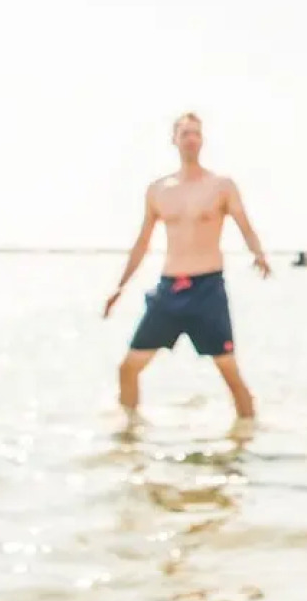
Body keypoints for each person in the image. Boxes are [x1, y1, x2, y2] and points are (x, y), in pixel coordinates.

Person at [103, 112, 271, 422]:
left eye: (196, 133)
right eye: (185, 133)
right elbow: (142, 242)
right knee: (128, 368)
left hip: (207, 288)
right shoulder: (159, 190)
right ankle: (129, 439)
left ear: (202, 140)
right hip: (169, 289)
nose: (191, 139)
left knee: (229, 371)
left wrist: (258, 253)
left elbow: (245, 225)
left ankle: (248, 435)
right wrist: (120, 286)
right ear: (174, 140)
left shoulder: (221, 186)